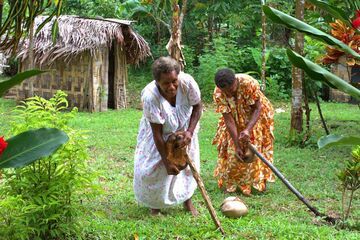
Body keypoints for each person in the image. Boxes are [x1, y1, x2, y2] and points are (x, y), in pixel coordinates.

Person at [133, 56, 202, 216]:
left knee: (186, 166)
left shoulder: (188, 83)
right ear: (157, 82)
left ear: (178, 76)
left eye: (174, 81)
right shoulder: (150, 97)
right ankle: (155, 205)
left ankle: (187, 202)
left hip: (185, 131)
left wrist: (189, 132)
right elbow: (157, 133)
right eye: (165, 83)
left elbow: (197, 107)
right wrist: (166, 160)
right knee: (155, 170)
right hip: (159, 134)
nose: (171, 87)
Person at [212, 68, 275, 196]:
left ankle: (258, 182)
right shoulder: (218, 93)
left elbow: (258, 108)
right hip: (235, 117)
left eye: (231, 90)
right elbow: (228, 120)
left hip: (256, 115)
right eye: (225, 92)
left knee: (255, 145)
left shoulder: (248, 83)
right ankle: (232, 184)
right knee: (231, 149)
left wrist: (247, 129)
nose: (228, 94)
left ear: (235, 81)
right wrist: (236, 144)